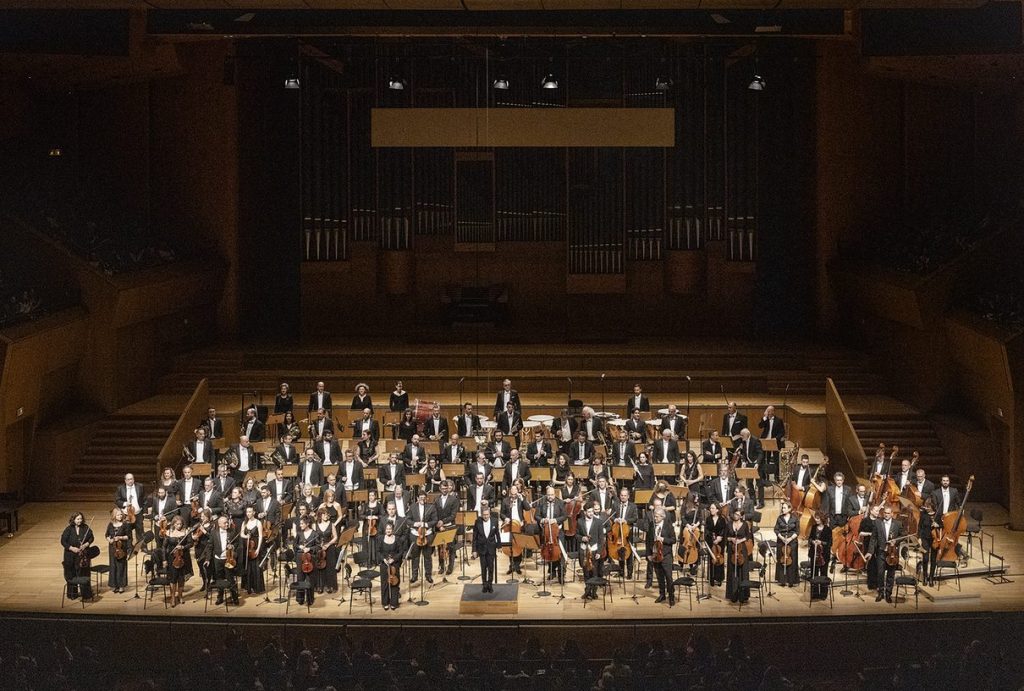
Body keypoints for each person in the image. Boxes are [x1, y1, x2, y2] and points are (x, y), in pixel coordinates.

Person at [866, 505, 904, 603]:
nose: (886, 515)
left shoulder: (898, 524)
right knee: (880, 573)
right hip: (881, 552)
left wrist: (896, 541)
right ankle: (880, 593)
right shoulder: (878, 522)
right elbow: (873, 538)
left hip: (892, 553)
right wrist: (870, 551)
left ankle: (888, 594)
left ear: (892, 514)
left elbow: (903, 535)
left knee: (891, 574)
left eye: (888, 513)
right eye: (885, 513)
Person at [62, 513, 96, 601]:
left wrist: (85, 545)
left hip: (82, 556)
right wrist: (72, 548)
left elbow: (91, 538)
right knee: (71, 574)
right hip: (70, 556)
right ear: (73, 520)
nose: (79, 521)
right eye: (77, 519)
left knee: (84, 573)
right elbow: (63, 541)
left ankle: (86, 594)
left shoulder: (85, 528)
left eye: (81, 519)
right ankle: (72, 594)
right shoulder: (69, 529)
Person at [207, 514, 240, 606]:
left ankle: (234, 597)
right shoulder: (213, 533)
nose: (227, 524)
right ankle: (220, 597)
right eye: (225, 523)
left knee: (230, 578)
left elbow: (236, 543)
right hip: (217, 559)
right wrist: (208, 559)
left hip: (228, 559)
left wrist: (232, 546)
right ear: (219, 524)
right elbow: (210, 546)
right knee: (219, 579)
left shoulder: (232, 531)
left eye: (227, 522)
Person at [646, 507, 675, 606]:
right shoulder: (651, 525)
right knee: (659, 576)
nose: (655, 518)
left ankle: (671, 596)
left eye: (657, 516)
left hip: (666, 555)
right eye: (654, 516)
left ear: (663, 517)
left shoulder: (669, 526)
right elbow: (648, 540)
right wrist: (648, 554)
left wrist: (663, 539)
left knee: (668, 576)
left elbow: (673, 540)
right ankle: (662, 595)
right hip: (655, 554)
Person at [578, 503, 606, 600]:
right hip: (584, 550)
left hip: (594, 550)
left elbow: (601, 539)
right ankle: (587, 591)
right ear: (585, 512)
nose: (591, 513)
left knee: (594, 572)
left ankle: (594, 592)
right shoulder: (580, 521)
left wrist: (599, 552)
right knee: (586, 572)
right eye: (589, 511)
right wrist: (582, 538)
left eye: (592, 511)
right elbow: (576, 535)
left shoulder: (599, 522)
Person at [164, 514, 193, 606]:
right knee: (173, 578)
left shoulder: (186, 532)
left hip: (183, 558)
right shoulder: (169, 532)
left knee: (181, 578)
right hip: (172, 558)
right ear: (173, 524)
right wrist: (164, 559)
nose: (179, 526)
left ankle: (180, 596)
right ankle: (172, 597)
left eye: (180, 524)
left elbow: (191, 544)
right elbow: (164, 547)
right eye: (177, 524)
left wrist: (183, 547)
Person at [409, 491, 437, 585]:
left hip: (427, 534)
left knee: (427, 557)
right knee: (415, 556)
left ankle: (428, 575)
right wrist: (414, 523)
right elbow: (407, 520)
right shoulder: (412, 507)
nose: (422, 499)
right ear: (417, 498)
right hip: (415, 534)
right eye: (420, 498)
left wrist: (426, 524)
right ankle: (414, 576)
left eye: (424, 498)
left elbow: (435, 520)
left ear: (426, 498)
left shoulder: (431, 507)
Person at [725, 507, 752, 604]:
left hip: (741, 549)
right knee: (732, 571)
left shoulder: (745, 524)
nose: (735, 516)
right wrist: (731, 539)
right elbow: (726, 536)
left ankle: (743, 595)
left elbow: (748, 536)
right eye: (735, 514)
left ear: (741, 516)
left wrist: (740, 540)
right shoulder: (729, 524)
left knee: (743, 571)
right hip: (732, 549)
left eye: (737, 514)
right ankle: (732, 595)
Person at [610, 488, 638, 578]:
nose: (623, 497)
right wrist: (615, 519)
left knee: (628, 552)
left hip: (628, 531)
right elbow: (612, 516)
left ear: (628, 496)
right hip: (618, 530)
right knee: (620, 550)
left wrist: (626, 521)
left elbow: (635, 518)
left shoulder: (633, 506)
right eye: (621, 495)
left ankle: (629, 573)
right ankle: (621, 572)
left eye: (625, 495)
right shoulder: (616, 504)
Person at [293, 515, 320, 605]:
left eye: (302, 524)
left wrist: (309, 549)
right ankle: (300, 598)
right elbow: (295, 545)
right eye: (300, 523)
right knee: (300, 577)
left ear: (307, 524)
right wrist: (299, 546)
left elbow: (318, 546)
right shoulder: (299, 534)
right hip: (300, 557)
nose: (300, 525)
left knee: (310, 579)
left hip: (310, 558)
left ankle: (310, 599)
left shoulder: (315, 534)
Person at [474, 503, 501, 593]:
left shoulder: (494, 521)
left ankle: (490, 584)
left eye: (487, 514)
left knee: (491, 567)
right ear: (481, 514)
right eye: (484, 515)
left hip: (491, 548)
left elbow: (497, 534)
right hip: (481, 548)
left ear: (489, 514)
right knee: (483, 567)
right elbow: (474, 537)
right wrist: (474, 550)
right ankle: (484, 584)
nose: (485, 516)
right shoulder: (477, 522)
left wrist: (499, 546)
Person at [379, 521, 404, 610]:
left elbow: (401, 552)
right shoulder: (381, 539)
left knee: (394, 583)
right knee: (384, 584)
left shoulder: (397, 539)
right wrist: (384, 559)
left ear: (392, 530)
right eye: (387, 529)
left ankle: (394, 603)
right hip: (384, 564)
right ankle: (385, 602)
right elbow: (378, 551)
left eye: (390, 529)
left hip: (394, 564)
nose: (388, 530)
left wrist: (394, 559)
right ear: (385, 530)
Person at [737, 428, 765, 508]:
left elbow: (760, 453)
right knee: (749, 483)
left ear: (747, 435)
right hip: (749, 464)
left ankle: (761, 503)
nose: (741, 437)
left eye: (742, 435)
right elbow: (744, 453)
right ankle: (753, 501)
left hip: (757, 465)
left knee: (759, 484)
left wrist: (757, 463)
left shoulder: (756, 440)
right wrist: (743, 461)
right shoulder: (743, 441)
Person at [758, 405, 785, 486]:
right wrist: (764, 417)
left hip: (775, 442)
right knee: (766, 459)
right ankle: (765, 478)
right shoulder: (765, 419)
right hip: (766, 442)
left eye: (769, 411)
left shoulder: (779, 420)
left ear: (773, 411)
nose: (768, 412)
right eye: (767, 411)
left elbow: (782, 432)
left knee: (776, 460)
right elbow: (760, 426)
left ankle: (777, 477)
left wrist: (776, 438)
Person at [105, 508, 131, 593]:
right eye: (118, 515)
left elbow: (129, 536)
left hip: (121, 548)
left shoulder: (125, 524)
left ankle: (121, 585)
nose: (120, 516)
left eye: (121, 514)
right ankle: (114, 585)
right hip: (112, 548)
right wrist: (109, 540)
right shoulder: (110, 524)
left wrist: (120, 537)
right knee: (113, 566)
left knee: (121, 567)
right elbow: (107, 535)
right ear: (114, 516)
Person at [808, 511, 832, 600]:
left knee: (823, 574)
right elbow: (810, 538)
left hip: (823, 555)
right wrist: (813, 541)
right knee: (814, 574)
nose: (816, 520)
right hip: (814, 554)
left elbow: (830, 543)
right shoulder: (814, 527)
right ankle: (814, 593)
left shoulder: (828, 529)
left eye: (818, 518)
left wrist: (821, 542)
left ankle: (823, 594)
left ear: (822, 519)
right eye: (815, 518)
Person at [313, 506, 338, 594]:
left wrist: (328, 544)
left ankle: (330, 585)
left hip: (329, 547)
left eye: (327, 514)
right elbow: (313, 537)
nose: (326, 516)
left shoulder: (331, 524)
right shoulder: (315, 525)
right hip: (319, 548)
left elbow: (335, 537)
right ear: (320, 515)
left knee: (330, 567)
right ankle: (320, 585)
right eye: (324, 514)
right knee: (319, 566)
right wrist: (319, 545)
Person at [774, 501, 799, 587]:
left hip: (792, 541)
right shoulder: (779, 518)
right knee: (781, 559)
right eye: (782, 508)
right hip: (781, 540)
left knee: (792, 560)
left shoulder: (795, 518)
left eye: (784, 508)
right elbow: (776, 530)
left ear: (789, 509)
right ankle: (782, 580)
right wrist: (782, 538)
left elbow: (797, 531)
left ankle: (791, 580)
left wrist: (790, 539)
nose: (783, 509)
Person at [704, 502, 727, 587]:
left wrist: (719, 537)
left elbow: (724, 530)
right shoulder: (708, 519)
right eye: (710, 508)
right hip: (711, 541)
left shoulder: (722, 519)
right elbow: (707, 531)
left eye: (713, 508)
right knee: (712, 560)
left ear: (717, 510)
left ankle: (719, 578)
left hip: (720, 542)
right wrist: (712, 539)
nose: (711, 510)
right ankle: (712, 578)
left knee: (719, 559)